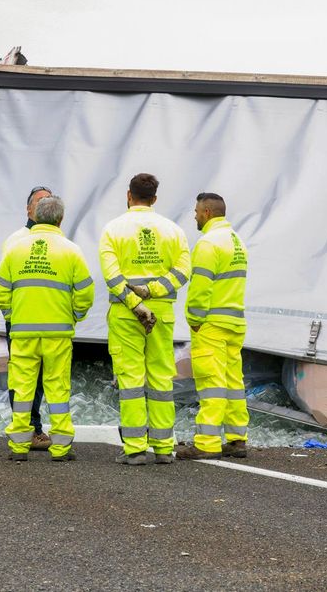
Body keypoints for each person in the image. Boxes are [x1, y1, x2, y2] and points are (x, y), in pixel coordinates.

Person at [0, 195, 94, 461]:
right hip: (57, 333)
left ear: (35, 215)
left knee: (23, 388)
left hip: (23, 332)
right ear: (61, 219)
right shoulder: (71, 250)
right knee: (57, 388)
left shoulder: (16, 249)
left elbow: (0, 290)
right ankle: (60, 447)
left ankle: (18, 447)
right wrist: (75, 315)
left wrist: (11, 315)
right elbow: (85, 292)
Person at [99, 173, 191, 465]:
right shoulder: (173, 231)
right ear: (154, 199)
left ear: (129, 195)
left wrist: (135, 304)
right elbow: (182, 273)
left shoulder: (113, 230)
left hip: (126, 315)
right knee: (161, 377)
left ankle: (135, 448)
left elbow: (112, 277)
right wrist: (152, 291)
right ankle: (164, 448)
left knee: (130, 379)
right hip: (162, 312)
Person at [176, 193, 250, 460]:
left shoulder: (208, 244)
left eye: (196, 211)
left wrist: (194, 320)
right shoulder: (236, 241)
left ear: (207, 213)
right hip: (235, 321)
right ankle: (237, 438)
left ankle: (206, 442)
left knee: (212, 383)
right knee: (233, 383)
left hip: (212, 325)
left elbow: (200, 289)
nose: (194, 215)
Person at [1, 185, 53, 451]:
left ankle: (33, 427)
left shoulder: (57, 240)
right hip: (22, 324)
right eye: (39, 202)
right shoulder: (16, 240)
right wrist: (11, 318)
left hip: (49, 324)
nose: (44, 206)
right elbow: (3, 286)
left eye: (48, 202)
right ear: (29, 208)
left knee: (43, 378)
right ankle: (27, 428)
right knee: (21, 378)